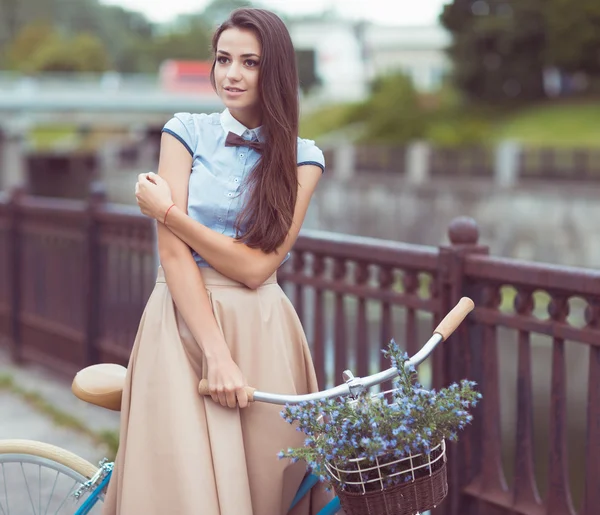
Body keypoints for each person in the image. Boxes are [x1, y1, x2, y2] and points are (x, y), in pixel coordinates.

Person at [102, 7, 332, 515]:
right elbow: (172, 256)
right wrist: (216, 354)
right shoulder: (183, 130)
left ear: (275, 72)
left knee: (266, 490)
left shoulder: (303, 158)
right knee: (180, 490)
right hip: (181, 322)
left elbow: (256, 269)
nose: (231, 74)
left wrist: (169, 214)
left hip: (263, 329)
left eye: (249, 62)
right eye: (223, 59)